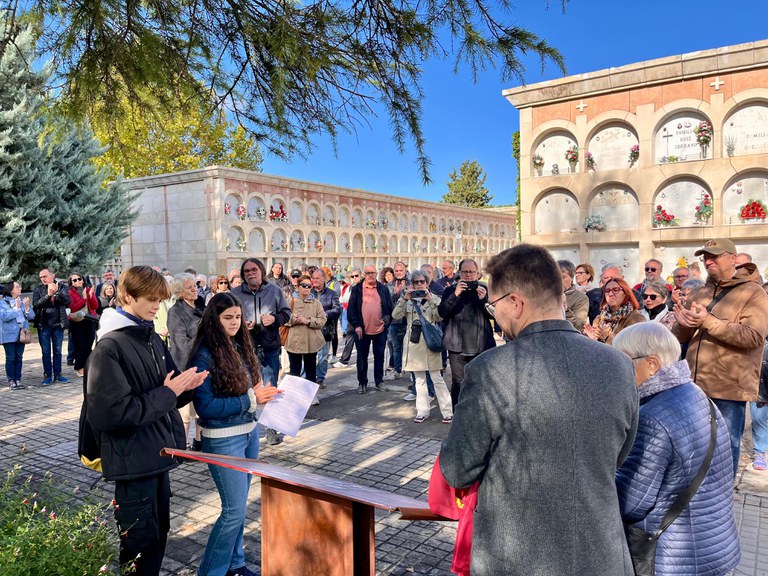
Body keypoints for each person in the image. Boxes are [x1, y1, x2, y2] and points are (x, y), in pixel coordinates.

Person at [438, 244, 639, 575]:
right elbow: (619, 453)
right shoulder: (618, 363)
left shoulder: (490, 370)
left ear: (515, 303)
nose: (494, 314)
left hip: (517, 558)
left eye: (494, 305)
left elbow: (458, 468)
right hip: (601, 553)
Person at [86, 265, 207, 576]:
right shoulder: (109, 347)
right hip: (131, 461)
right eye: (151, 299)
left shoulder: (149, 336)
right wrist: (169, 393)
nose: (157, 306)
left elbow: (165, 391)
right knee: (139, 547)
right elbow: (111, 414)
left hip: (156, 455)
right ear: (128, 296)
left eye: (160, 300)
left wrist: (185, 389)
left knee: (158, 535)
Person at [613, 322, 740, 576]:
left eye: (621, 361)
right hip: (715, 544)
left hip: (675, 558)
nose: (616, 370)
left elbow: (631, 502)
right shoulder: (697, 394)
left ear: (652, 364)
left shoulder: (653, 416)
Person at [190, 293, 280, 576]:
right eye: (227, 317)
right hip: (223, 438)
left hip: (250, 433)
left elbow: (250, 392)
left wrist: (266, 397)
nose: (234, 322)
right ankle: (211, 572)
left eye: (238, 317)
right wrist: (251, 399)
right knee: (233, 512)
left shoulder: (241, 345)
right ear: (213, 320)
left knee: (238, 509)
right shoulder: (204, 353)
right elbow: (205, 406)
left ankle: (235, 565)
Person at [672, 238, 768, 477]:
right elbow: (681, 337)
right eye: (705, 257)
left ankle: (723, 503)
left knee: (725, 449)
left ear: (733, 259)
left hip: (728, 388)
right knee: (694, 447)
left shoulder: (753, 292)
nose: (708, 261)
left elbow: (754, 337)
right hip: (694, 386)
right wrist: (682, 324)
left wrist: (708, 321)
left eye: (714, 256)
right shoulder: (700, 291)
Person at [230, 258, 291, 445]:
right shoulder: (235, 293)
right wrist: (241, 324)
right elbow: (227, 318)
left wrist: (274, 319)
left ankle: (271, 428)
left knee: (270, 385)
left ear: (261, 271)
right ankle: (247, 425)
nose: (250, 274)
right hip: (244, 348)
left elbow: (286, 313)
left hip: (269, 346)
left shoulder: (274, 290)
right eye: (246, 271)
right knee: (246, 386)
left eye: (253, 270)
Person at [392, 270, 452, 423]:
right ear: (412, 284)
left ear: (427, 283)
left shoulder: (435, 298)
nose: (419, 284)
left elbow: (439, 317)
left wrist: (430, 300)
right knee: (419, 380)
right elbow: (395, 316)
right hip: (414, 343)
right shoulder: (408, 300)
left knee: (436, 378)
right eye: (416, 282)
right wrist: (404, 299)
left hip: (431, 343)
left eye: (422, 282)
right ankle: (422, 411)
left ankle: (447, 412)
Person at [437, 258, 496, 407]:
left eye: (471, 272)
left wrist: (485, 300)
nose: (468, 275)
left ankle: (480, 412)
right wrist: (455, 295)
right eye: (465, 272)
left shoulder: (485, 290)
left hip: (481, 346)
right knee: (458, 384)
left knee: (481, 382)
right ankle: (459, 415)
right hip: (457, 347)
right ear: (460, 273)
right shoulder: (451, 290)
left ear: (477, 274)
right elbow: (442, 313)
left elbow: (496, 315)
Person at [168, 273, 206, 450]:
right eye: (189, 287)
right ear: (180, 292)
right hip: (184, 365)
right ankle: (182, 444)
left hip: (204, 363)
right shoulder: (175, 312)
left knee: (201, 407)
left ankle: (199, 441)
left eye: (195, 285)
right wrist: (203, 333)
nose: (194, 289)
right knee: (185, 411)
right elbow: (181, 344)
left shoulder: (201, 306)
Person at [347, 264, 393, 394]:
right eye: (368, 273)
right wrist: (356, 325)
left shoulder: (383, 289)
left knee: (379, 357)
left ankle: (379, 381)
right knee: (362, 358)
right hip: (362, 330)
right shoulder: (357, 289)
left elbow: (389, 307)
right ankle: (362, 382)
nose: (370, 275)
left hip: (380, 329)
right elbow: (351, 310)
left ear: (377, 273)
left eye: (372, 272)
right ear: (364, 275)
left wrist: (386, 321)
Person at [284, 275, 327, 385]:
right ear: (297, 287)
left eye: (309, 286)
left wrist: (308, 321)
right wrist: (294, 319)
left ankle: (311, 396)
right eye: (304, 285)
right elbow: (283, 318)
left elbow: (322, 320)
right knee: (295, 372)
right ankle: (294, 396)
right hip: (294, 343)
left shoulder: (316, 303)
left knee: (311, 372)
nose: (307, 288)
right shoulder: (290, 301)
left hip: (311, 344)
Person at [32, 268, 71, 385]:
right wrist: (48, 295)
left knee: (58, 351)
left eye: (45, 276)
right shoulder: (38, 289)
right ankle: (47, 375)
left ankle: (58, 375)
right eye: (41, 277)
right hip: (43, 325)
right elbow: (36, 305)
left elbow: (67, 302)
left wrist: (56, 292)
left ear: (52, 276)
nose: (43, 279)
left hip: (58, 324)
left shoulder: (62, 287)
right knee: (46, 351)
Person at [585, 277, 645, 345]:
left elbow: (634, 346)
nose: (610, 294)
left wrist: (607, 338)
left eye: (616, 290)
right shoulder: (599, 318)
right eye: (607, 291)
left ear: (625, 293)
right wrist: (592, 339)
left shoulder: (636, 318)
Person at [1, 280, 34, 390]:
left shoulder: (21, 301)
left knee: (19, 357)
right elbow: (4, 317)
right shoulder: (3, 303)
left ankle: (18, 380)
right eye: (17, 287)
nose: (20, 288)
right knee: (11, 358)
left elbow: (31, 317)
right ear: (10, 290)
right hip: (9, 335)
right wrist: (15, 309)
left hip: (22, 334)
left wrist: (26, 307)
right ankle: (11, 381)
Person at [310, 268, 341, 389]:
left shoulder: (331, 293)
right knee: (310, 356)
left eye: (317, 278)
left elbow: (337, 309)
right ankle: (309, 377)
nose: (315, 280)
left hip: (325, 329)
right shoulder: (309, 292)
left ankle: (320, 378)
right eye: (313, 278)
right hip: (310, 329)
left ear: (324, 279)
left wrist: (325, 314)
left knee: (323, 356)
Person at [68, 272, 99, 378]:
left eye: (79, 279)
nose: (78, 282)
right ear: (71, 282)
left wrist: (90, 296)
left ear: (83, 279)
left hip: (89, 320)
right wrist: (84, 299)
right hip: (77, 321)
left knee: (88, 344)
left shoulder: (88, 289)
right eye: (75, 280)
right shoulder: (70, 292)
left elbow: (95, 306)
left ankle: (89, 366)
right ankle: (80, 368)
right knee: (79, 345)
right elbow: (72, 307)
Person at [334, 267, 361, 368]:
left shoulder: (363, 287)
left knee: (361, 339)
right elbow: (344, 299)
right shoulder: (351, 287)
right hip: (352, 315)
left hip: (361, 316)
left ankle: (359, 359)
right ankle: (344, 360)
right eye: (352, 276)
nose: (354, 278)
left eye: (356, 276)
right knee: (350, 337)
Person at [559, 260, 589, 333]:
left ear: (572, 278)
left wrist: (566, 309)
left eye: (563, 277)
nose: (558, 280)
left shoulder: (580, 298)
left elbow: (580, 327)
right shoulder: (545, 295)